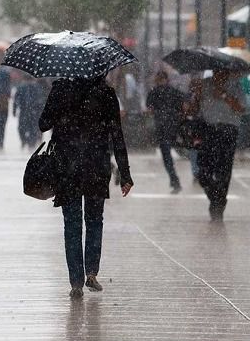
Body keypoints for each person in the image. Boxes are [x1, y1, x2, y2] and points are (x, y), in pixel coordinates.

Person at [39, 76, 134, 298]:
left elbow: (43, 123)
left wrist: (59, 107)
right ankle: (91, 270)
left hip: (67, 166)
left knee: (72, 222)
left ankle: (75, 281)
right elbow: (116, 135)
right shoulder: (107, 94)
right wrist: (125, 173)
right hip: (96, 164)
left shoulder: (60, 89)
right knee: (94, 219)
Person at [189, 69, 246, 220]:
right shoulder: (204, 84)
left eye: (221, 71)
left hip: (228, 130)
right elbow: (193, 110)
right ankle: (216, 198)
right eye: (216, 71)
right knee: (203, 172)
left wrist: (223, 95)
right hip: (208, 130)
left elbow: (241, 108)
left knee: (224, 170)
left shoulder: (235, 85)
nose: (218, 74)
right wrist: (196, 95)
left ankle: (218, 204)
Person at [146, 70, 185, 193]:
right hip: (174, 126)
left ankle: (174, 180)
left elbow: (150, 109)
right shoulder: (174, 92)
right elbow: (183, 107)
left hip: (162, 128)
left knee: (166, 155)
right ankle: (176, 179)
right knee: (177, 150)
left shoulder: (154, 92)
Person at [13, 77, 43, 149]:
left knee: (22, 127)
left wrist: (14, 110)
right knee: (33, 128)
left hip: (24, 111)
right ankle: (31, 144)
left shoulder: (20, 87)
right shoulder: (37, 87)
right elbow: (41, 101)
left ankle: (25, 141)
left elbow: (16, 100)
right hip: (34, 112)